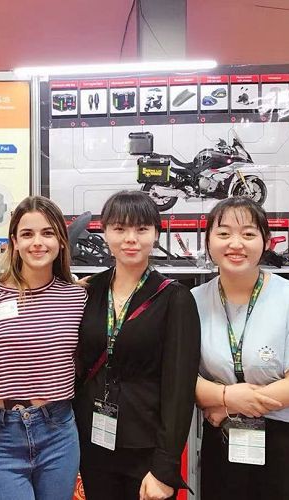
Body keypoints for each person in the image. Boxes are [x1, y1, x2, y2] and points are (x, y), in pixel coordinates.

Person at [193, 196, 289, 500]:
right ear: (208, 241)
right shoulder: (191, 302)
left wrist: (226, 402)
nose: (235, 244)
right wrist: (228, 397)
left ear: (266, 241)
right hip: (226, 440)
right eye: (224, 233)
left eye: (248, 234)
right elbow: (183, 377)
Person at [74, 190, 200, 500]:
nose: (131, 238)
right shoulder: (89, 291)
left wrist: (165, 467)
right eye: (119, 228)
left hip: (146, 449)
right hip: (92, 441)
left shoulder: (174, 298)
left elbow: (179, 390)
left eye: (141, 229)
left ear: (156, 234)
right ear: (104, 233)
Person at [0, 195, 87, 500]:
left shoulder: (77, 298)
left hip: (57, 429)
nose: (38, 242)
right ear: (14, 242)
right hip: (0, 433)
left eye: (48, 233)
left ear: (61, 241)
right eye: (27, 234)